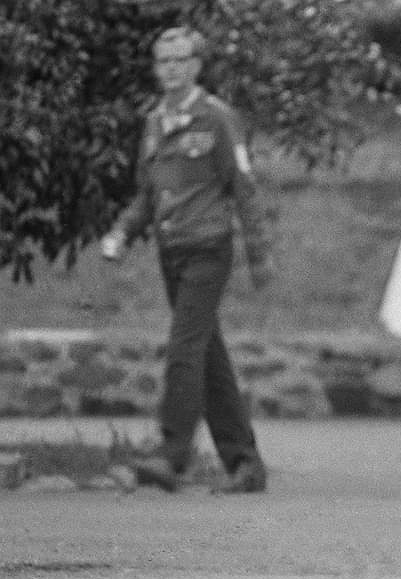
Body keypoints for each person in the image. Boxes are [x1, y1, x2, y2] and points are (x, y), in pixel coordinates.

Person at [100, 26, 272, 494]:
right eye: (163, 61)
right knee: (208, 355)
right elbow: (147, 194)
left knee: (184, 348)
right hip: (170, 250)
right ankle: (245, 462)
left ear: (197, 65)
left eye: (179, 60)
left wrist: (259, 256)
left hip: (208, 247)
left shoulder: (216, 118)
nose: (170, 69)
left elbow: (244, 188)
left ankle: (172, 453)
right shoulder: (155, 120)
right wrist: (121, 231)